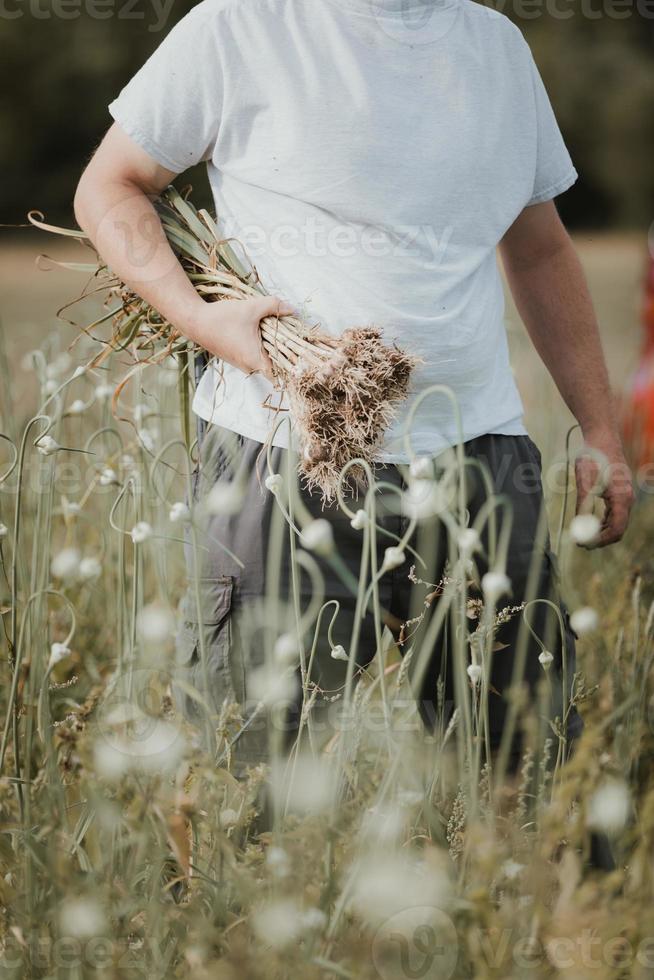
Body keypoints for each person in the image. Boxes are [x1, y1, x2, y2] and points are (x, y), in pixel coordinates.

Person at [73, 0, 634, 775]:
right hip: (282, 453)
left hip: (484, 457)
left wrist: (600, 429)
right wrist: (203, 321)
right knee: (254, 773)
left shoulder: (497, 46)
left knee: (526, 767)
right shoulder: (237, 24)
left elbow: (537, 249)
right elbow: (111, 187)